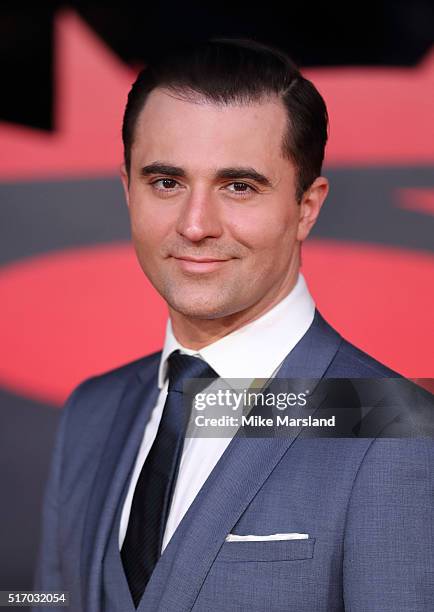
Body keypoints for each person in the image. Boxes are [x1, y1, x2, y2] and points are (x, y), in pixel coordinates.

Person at [33, 38, 433, 611]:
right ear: (128, 189)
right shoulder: (91, 412)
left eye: (239, 186)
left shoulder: (398, 434)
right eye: (166, 182)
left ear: (306, 207)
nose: (195, 225)